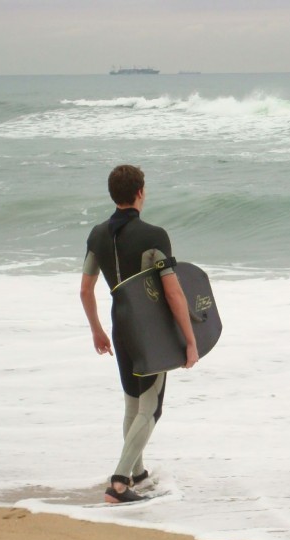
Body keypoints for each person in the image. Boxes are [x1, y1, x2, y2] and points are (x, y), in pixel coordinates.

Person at [80, 164, 199, 504]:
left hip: (120, 327)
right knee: (151, 407)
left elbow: (86, 290)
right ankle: (119, 483)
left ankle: (139, 474)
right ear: (140, 193)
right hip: (149, 331)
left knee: (133, 402)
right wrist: (190, 340)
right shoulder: (153, 236)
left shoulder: (97, 235)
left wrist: (97, 330)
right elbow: (173, 292)